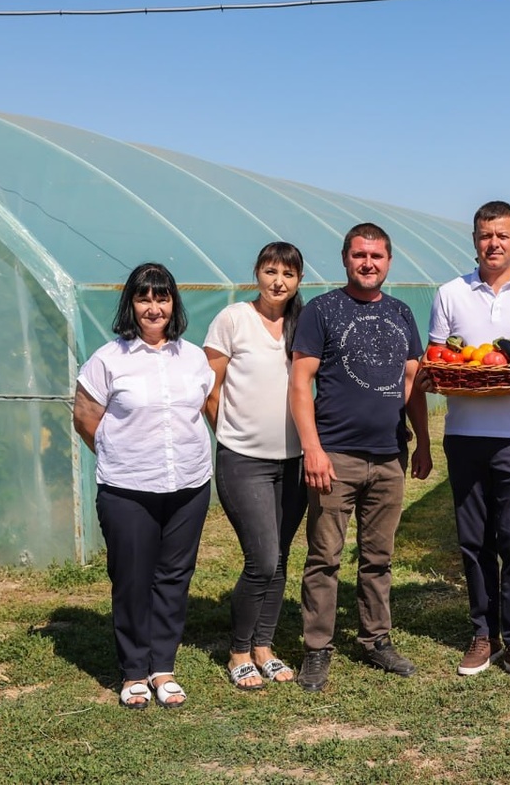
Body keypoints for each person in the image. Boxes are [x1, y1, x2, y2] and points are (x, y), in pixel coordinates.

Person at [424, 200, 510, 682]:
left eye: (503, 235)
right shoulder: (451, 293)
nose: (494, 244)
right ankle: (483, 634)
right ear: (474, 239)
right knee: (474, 541)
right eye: (486, 235)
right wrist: (438, 375)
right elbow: (438, 357)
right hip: (464, 435)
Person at [288, 222, 432, 693]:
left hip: (389, 456)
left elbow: (412, 383)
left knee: (378, 557)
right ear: (345, 259)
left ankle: (376, 639)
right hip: (336, 456)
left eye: (376, 256)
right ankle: (317, 648)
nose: (368, 263)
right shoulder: (322, 310)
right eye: (359, 255)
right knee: (324, 557)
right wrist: (313, 448)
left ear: (389, 261)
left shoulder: (401, 312)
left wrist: (423, 442)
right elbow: (300, 383)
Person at [72, 262, 214, 709]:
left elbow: (200, 410)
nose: (154, 308)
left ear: (174, 304)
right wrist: (123, 455)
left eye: (162, 298)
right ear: (130, 304)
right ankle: (134, 670)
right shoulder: (108, 360)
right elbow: (85, 418)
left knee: (174, 576)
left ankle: (163, 668)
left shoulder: (193, 358)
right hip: (127, 488)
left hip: (189, 484)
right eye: (144, 298)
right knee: (132, 579)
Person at [204, 242, 307, 690]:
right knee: (261, 558)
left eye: (288, 274)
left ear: (298, 280)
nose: (278, 282)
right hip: (243, 460)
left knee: (280, 558)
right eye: (270, 271)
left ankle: (264, 646)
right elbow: (210, 388)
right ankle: (239, 651)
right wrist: (230, 435)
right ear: (257, 273)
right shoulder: (233, 319)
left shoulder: (303, 323)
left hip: (294, 460)